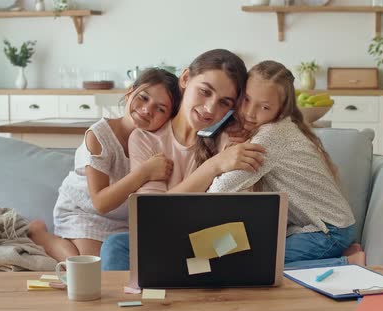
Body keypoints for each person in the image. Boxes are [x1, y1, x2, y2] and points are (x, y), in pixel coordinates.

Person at [100, 49, 265, 270]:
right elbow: (154, 215)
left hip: (212, 246)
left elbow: (234, 225)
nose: (209, 109)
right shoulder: (145, 139)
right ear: (185, 78)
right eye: (205, 91)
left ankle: (188, 278)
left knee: (234, 246)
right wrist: (213, 166)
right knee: (116, 246)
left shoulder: (232, 141)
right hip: (164, 243)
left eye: (224, 103)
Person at [205, 60, 365, 267]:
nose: (250, 113)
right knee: (229, 250)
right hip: (313, 227)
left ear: (281, 109)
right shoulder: (268, 130)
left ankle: (347, 262)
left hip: (328, 232)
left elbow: (221, 191)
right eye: (246, 99)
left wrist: (217, 164)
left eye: (264, 107)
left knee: (256, 264)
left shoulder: (271, 137)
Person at [28, 68, 181, 262]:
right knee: (90, 268)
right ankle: (40, 235)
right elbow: (100, 203)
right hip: (83, 211)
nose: (147, 109)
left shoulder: (157, 144)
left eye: (160, 108)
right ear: (129, 93)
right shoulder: (99, 136)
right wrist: (144, 172)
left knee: (122, 262)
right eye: (143, 97)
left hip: (122, 220)